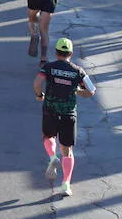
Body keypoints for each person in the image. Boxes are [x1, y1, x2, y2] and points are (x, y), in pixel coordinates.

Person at [35, 36, 96, 198]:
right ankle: (66, 184)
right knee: (67, 150)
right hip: (69, 113)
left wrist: (39, 95)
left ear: (56, 53)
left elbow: (36, 83)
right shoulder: (78, 71)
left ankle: (52, 157)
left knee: (48, 136)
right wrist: (78, 91)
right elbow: (91, 90)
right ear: (71, 53)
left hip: (50, 110)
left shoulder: (48, 67)